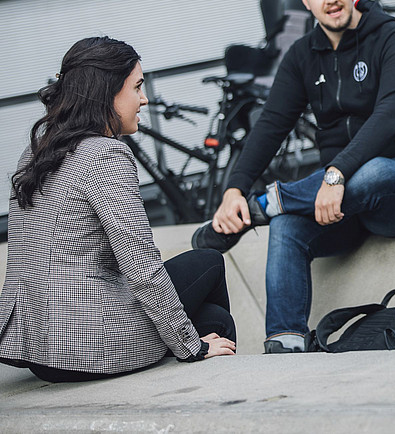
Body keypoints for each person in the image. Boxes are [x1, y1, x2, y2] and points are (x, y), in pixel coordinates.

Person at [192, 0, 395, 354]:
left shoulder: (394, 39)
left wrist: (337, 172)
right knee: (287, 226)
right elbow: (271, 125)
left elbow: (390, 118)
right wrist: (234, 189)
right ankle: (285, 343)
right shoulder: (301, 56)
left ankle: (265, 205)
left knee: (376, 170)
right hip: (342, 202)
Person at [1, 37, 236, 383]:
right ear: (106, 92)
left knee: (209, 307)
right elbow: (141, 266)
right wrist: (190, 346)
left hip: (35, 345)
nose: (143, 99)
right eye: (137, 87)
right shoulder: (105, 156)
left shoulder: (38, 151)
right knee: (211, 273)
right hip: (85, 346)